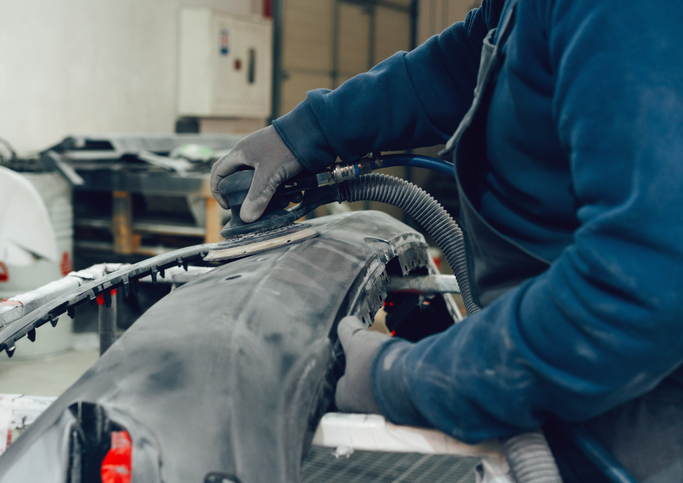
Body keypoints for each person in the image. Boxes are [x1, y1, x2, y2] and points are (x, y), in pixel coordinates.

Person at [211, 0, 683, 480]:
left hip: (637, 415)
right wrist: (312, 130)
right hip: (558, 380)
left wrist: (405, 381)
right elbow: (471, 56)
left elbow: (643, 291)